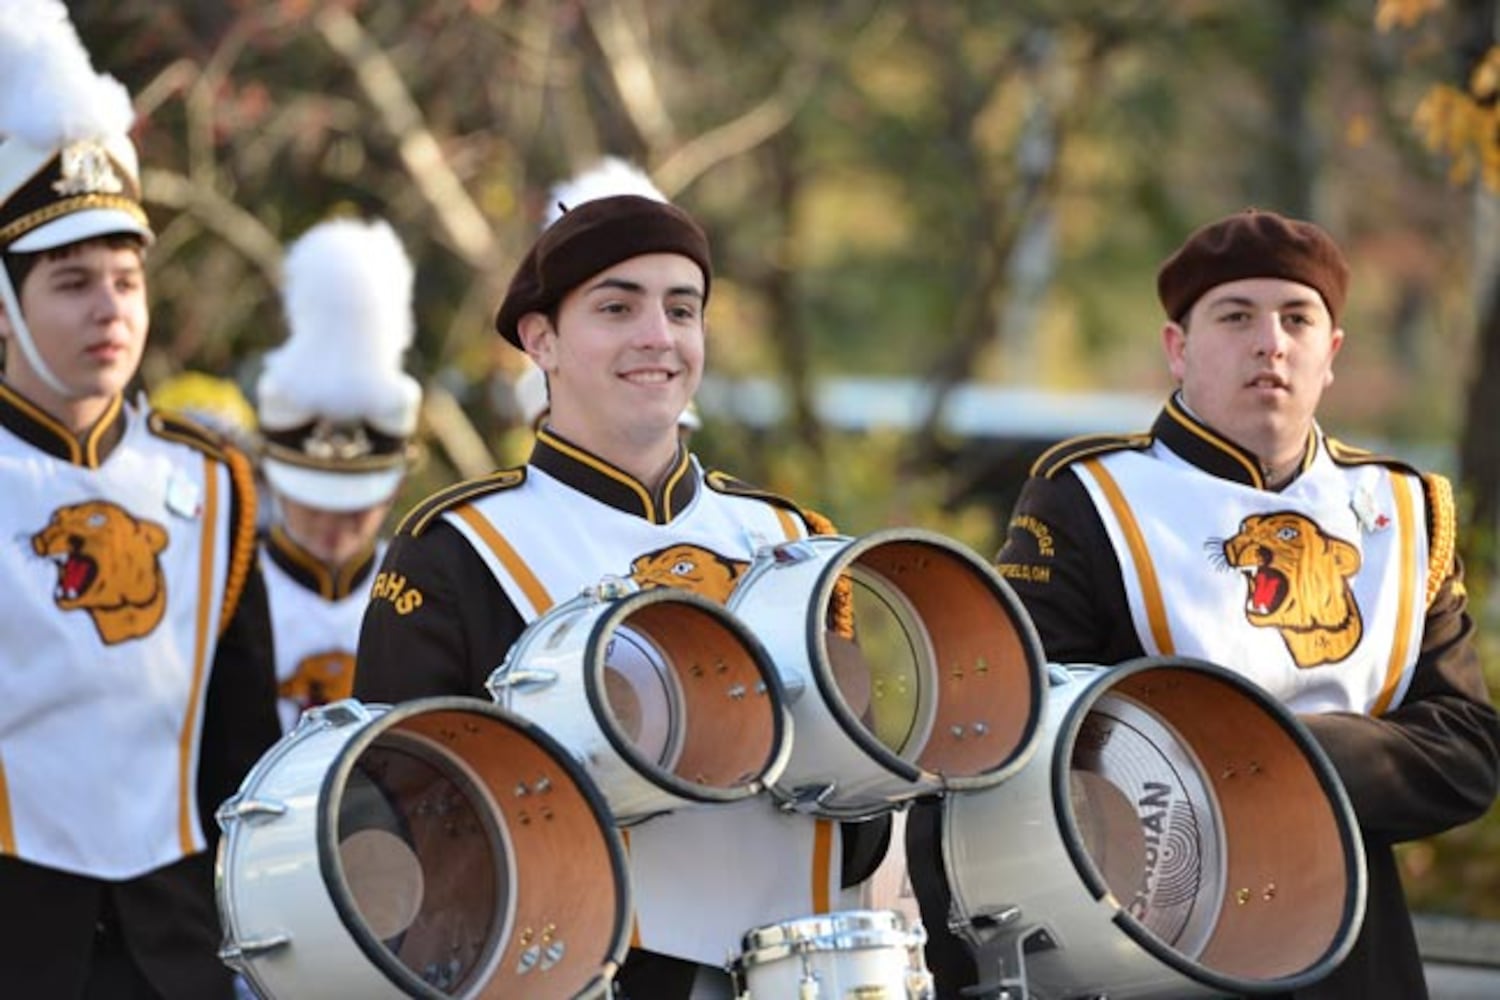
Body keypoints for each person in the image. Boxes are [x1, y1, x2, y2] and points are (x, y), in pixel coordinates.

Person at [909, 208, 1500, 999]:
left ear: (1331, 354)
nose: (1271, 342)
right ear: (1177, 349)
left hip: (1357, 952)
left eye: (1298, 318)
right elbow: (999, 738)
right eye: (1236, 316)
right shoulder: (1090, 496)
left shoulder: (1404, 508)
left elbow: (1467, 754)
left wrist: (1268, 762)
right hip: (1154, 944)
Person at [354, 190, 887, 997]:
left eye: (682, 308)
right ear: (542, 340)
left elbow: (862, 831)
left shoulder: (791, 538)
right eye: (617, 306)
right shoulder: (455, 551)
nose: (658, 337)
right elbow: (405, 835)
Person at [0, 4, 279, 997]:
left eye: (126, 278)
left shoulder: (214, 483)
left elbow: (246, 745)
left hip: (179, 953)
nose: (110, 309)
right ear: (5, 304)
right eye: (71, 282)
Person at [253, 216, 422, 732]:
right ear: (273, 475)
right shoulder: (229, 589)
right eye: (314, 501)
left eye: (356, 507)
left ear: (396, 483)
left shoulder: (423, 590)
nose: (334, 523)